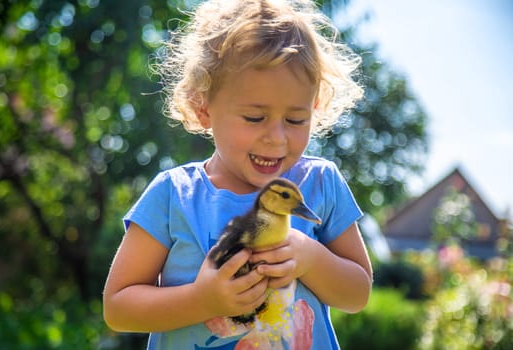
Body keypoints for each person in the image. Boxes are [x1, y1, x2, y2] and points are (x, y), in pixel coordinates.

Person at [103, 0, 373, 349]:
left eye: (295, 120)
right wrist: (202, 301)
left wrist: (311, 257)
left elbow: (358, 293)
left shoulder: (320, 183)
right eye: (254, 118)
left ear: (315, 108)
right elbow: (118, 307)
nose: (276, 137)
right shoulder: (174, 195)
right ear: (204, 107)